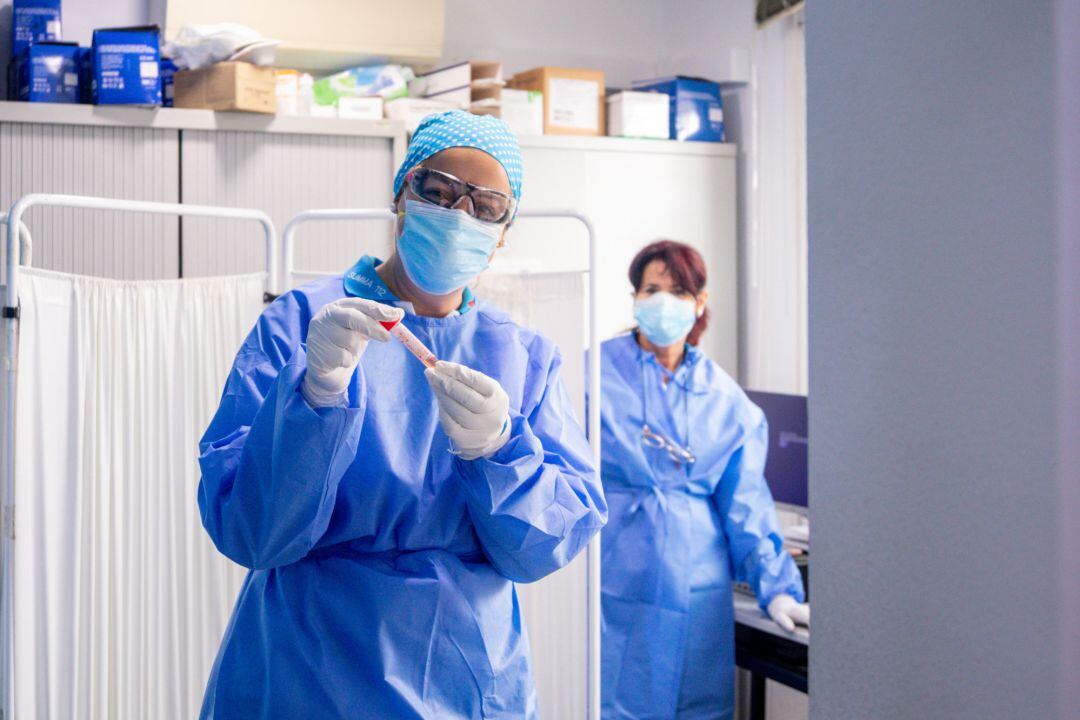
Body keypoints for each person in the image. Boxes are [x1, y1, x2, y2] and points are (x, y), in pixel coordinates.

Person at [197, 110, 607, 719]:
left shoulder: (523, 357)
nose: (457, 216)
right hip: (309, 669)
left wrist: (499, 451)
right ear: (401, 195)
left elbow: (541, 547)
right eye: (438, 192)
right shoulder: (302, 324)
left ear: (504, 230)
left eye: (485, 206)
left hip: (465, 675)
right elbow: (249, 529)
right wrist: (314, 397)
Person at [594, 240, 807, 720]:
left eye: (677, 290)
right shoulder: (592, 373)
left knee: (695, 706)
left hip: (698, 589)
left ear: (700, 302)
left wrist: (779, 589)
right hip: (614, 578)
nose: (663, 301)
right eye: (652, 288)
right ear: (633, 297)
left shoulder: (726, 400)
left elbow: (745, 504)